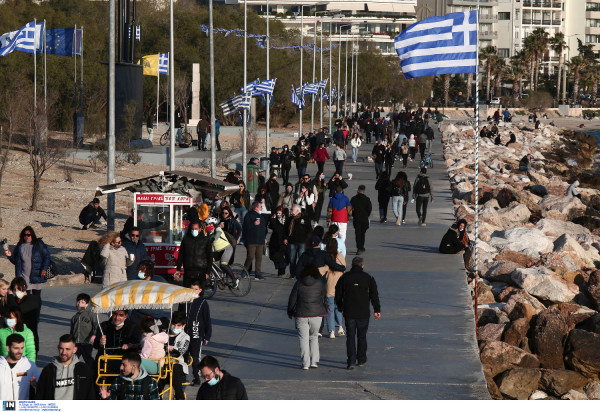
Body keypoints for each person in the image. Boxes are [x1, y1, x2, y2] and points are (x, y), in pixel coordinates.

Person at [335, 257, 381, 370]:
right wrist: (377, 310)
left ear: (351, 265)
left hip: (349, 311)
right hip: (363, 312)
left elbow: (338, 293)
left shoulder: (345, 277)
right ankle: (361, 359)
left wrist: (340, 306)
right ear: (362, 265)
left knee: (350, 337)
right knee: (362, 336)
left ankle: (350, 361)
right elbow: (374, 295)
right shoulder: (368, 278)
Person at [287, 265, 328, 370]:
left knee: (303, 339)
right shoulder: (320, 283)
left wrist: (290, 311)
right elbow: (323, 296)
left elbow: (292, 299)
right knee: (314, 337)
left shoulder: (299, 283)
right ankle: (314, 361)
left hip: (301, 314)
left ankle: (305, 363)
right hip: (317, 314)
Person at [36, 334, 95, 400]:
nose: (64, 352)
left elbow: (90, 395)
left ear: (74, 350)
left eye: (67, 349)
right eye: (61, 348)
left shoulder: (83, 370)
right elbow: (40, 396)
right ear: (58, 348)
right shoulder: (48, 370)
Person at [5, 226, 50, 291]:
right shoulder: (19, 246)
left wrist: (44, 269)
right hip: (24, 275)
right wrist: (10, 256)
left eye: (28, 235)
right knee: (25, 296)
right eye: (24, 235)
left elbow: (47, 256)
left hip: (37, 274)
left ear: (32, 235)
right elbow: (16, 262)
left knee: (36, 297)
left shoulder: (39, 244)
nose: (26, 236)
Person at [186, 280, 212, 386]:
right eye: (191, 289)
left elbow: (207, 320)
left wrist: (207, 335)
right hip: (184, 333)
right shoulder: (185, 301)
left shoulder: (203, 303)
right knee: (182, 356)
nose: (193, 291)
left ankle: (197, 378)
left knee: (195, 357)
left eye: (195, 289)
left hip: (196, 334)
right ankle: (181, 376)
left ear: (200, 290)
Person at [0, 333, 40, 400]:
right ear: (8, 348)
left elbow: (42, 384)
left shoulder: (29, 365)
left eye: (22, 348)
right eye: (16, 348)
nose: (20, 351)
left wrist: (36, 385)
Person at [8, 278, 41, 355]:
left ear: (24, 287)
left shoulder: (33, 299)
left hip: (29, 338)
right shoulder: (14, 300)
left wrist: (9, 296)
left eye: (18, 289)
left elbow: (17, 311)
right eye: (14, 289)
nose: (16, 291)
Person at [176, 221, 213, 288]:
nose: (194, 230)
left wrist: (208, 272)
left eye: (196, 229)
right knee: (186, 293)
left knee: (198, 294)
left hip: (200, 271)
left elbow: (209, 257)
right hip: (188, 271)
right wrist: (178, 269)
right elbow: (181, 254)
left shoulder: (206, 240)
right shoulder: (186, 239)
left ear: (200, 229)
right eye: (192, 229)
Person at [324, 238, 346, 339]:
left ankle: (331, 331)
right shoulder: (340, 256)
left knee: (330, 310)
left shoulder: (325, 257)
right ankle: (340, 327)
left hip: (329, 288)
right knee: (339, 308)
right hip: (340, 288)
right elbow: (344, 268)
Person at [70, 293, 97, 371]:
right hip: (76, 343)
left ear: (86, 305)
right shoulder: (74, 317)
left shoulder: (91, 315)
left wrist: (94, 335)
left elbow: (97, 326)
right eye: (78, 302)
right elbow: (71, 331)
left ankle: (94, 372)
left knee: (88, 358)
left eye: (82, 302)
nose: (79, 304)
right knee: (73, 359)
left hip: (86, 342)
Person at [205, 217, 236, 285]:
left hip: (227, 249)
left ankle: (234, 280)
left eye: (208, 224)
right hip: (218, 251)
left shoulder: (217, 229)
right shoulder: (208, 233)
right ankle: (215, 278)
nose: (206, 226)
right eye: (206, 224)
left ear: (212, 224)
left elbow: (218, 234)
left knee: (223, 264)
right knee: (208, 261)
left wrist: (213, 238)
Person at [166, 311, 190, 400]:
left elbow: (181, 351)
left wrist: (172, 348)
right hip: (163, 364)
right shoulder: (164, 333)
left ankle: (180, 398)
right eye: (173, 324)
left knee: (175, 369)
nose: (175, 327)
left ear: (183, 326)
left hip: (177, 365)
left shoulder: (186, 337)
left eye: (178, 326)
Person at [285, 205, 312, 279]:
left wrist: (306, 239)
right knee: (292, 259)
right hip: (292, 242)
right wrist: (285, 238)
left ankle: (300, 273)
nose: (291, 211)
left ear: (297, 211)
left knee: (301, 259)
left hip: (301, 242)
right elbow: (285, 229)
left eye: (293, 209)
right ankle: (292, 273)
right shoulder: (290, 219)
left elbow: (309, 230)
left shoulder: (305, 219)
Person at [242, 202, 268, 280]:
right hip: (251, 240)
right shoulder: (249, 215)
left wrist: (264, 237)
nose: (262, 208)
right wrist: (253, 224)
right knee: (250, 256)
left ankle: (258, 273)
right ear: (256, 208)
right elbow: (245, 227)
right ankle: (245, 271)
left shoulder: (262, 217)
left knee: (259, 257)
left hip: (260, 240)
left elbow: (264, 228)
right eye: (260, 207)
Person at [350, 185, 372, 255]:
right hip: (364, 219)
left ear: (358, 190)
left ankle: (359, 247)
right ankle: (361, 246)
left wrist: (354, 214)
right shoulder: (367, 199)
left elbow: (350, 209)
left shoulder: (353, 199)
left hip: (356, 218)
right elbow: (369, 209)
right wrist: (366, 215)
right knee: (362, 234)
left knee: (357, 234)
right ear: (364, 191)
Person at [268, 207, 289, 277]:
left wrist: (286, 238)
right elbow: (272, 226)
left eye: (279, 213)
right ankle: (281, 268)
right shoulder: (275, 220)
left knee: (282, 256)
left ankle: (281, 271)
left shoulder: (287, 220)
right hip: (275, 239)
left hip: (283, 240)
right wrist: (273, 219)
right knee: (274, 256)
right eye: (277, 213)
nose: (278, 214)